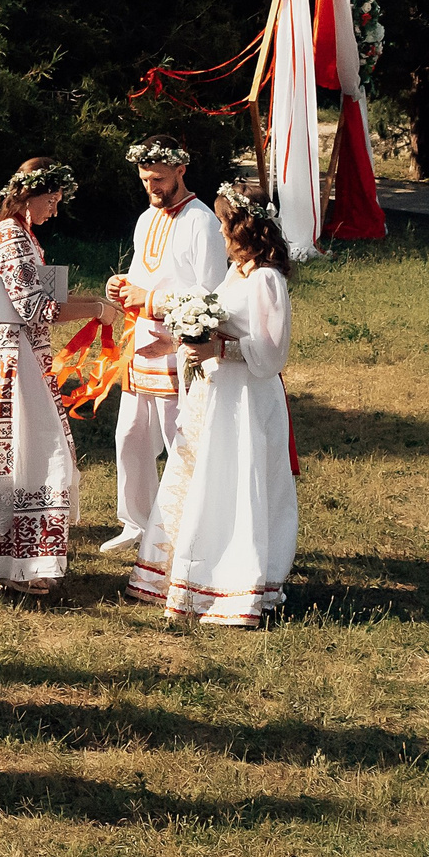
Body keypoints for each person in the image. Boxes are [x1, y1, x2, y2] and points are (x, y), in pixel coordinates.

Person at [124, 184, 300, 626]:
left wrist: (220, 352)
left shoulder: (265, 279)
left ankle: (234, 581)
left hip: (246, 400)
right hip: (216, 394)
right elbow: (214, 318)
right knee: (205, 476)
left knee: (237, 479)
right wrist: (173, 338)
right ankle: (188, 569)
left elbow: (271, 351)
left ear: (243, 227)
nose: (219, 232)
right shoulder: (237, 273)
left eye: (224, 224)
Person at [0, 159, 108, 597]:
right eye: (53, 200)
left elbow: (43, 299)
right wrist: (97, 310)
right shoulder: (10, 235)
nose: (56, 210)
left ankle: (22, 561)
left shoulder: (23, 235)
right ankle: (22, 563)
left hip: (27, 353)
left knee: (39, 452)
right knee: (37, 452)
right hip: (14, 355)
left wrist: (93, 301)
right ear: (31, 195)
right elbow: (35, 308)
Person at [100, 138, 228, 555]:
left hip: (179, 345)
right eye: (144, 179)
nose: (152, 186)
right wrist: (120, 286)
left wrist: (153, 303)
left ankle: (187, 527)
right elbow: (143, 273)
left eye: (158, 178)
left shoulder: (201, 221)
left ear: (180, 171)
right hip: (141, 343)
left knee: (181, 438)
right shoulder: (144, 218)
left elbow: (211, 296)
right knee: (130, 435)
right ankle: (136, 522)